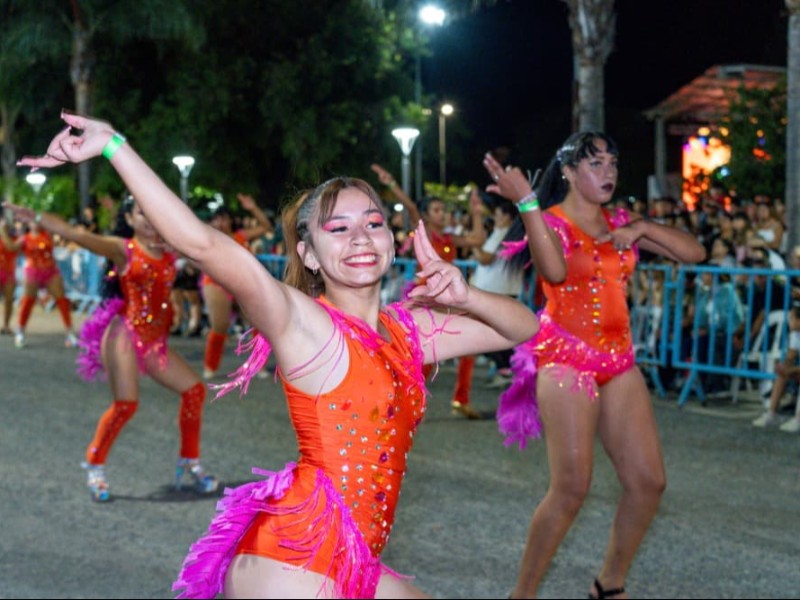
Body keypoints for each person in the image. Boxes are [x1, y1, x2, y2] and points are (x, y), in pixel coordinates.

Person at [18, 111, 538, 599]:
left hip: (357, 558)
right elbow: (202, 245)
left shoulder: (411, 329)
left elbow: (522, 326)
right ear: (309, 253)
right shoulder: (301, 321)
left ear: (392, 240)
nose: (360, 236)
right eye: (337, 228)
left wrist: (465, 295)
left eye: (374, 223)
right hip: (294, 557)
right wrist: (113, 145)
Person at [483, 131, 706, 600]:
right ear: (567, 171)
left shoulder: (622, 223)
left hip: (619, 361)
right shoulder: (551, 222)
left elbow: (695, 253)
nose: (607, 172)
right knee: (571, 489)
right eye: (594, 164)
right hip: (566, 363)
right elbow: (555, 273)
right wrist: (526, 203)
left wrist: (642, 228)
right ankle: (521, 595)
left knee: (648, 482)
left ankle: (609, 584)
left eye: (612, 163)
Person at [2, 195, 218, 503]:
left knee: (195, 391)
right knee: (126, 405)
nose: (147, 219)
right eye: (140, 213)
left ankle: (190, 462)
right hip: (125, 337)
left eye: (152, 212)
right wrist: (34, 216)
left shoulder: (172, 249)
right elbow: (77, 235)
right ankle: (95, 464)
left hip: (156, 342)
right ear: (129, 220)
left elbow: (212, 251)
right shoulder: (123, 249)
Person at [370, 162, 489, 419]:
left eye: (443, 210)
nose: (442, 214)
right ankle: (403, 398)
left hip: (449, 298)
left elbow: (478, 240)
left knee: (468, 347)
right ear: (425, 214)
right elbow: (411, 207)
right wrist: (391, 183)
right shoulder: (424, 234)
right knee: (425, 354)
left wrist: (476, 213)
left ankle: (460, 398)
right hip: (426, 299)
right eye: (436, 209)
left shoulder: (448, 238)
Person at [200, 193, 272, 379]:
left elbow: (266, 227)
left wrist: (252, 208)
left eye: (224, 219)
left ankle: (259, 365)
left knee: (258, 323)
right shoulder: (209, 238)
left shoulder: (240, 236)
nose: (221, 223)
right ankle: (210, 366)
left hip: (242, 284)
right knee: (220, 326)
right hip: (216, 284)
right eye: (217, 219)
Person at [0, 212, 77, 349]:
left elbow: (61, 225)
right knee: (27, 301)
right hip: (32, 272)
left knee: (61, 300)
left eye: (37, 220)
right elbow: (11, 247)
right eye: (32, 221)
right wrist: (3, 232)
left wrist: (46, 217)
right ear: (29, 224)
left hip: (51, 271)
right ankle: (20, 331)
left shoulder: (49, 234)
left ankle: (70, 332)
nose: (35, 223)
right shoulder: (25, 239)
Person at [752, 304, 800, 433]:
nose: (789, 321)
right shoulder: (795, 335)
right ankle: (771, 414)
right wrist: (783, 368)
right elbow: (790, 358)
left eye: (791, 318)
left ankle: (798, 418)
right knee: (782, 375)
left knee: (789, 372)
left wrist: (791, 370)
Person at [0, 215, 19, 335]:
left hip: (9, 271)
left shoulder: (14, 237)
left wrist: (3, 233)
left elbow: (11, 248)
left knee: (8, 300)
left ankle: (6, 326)